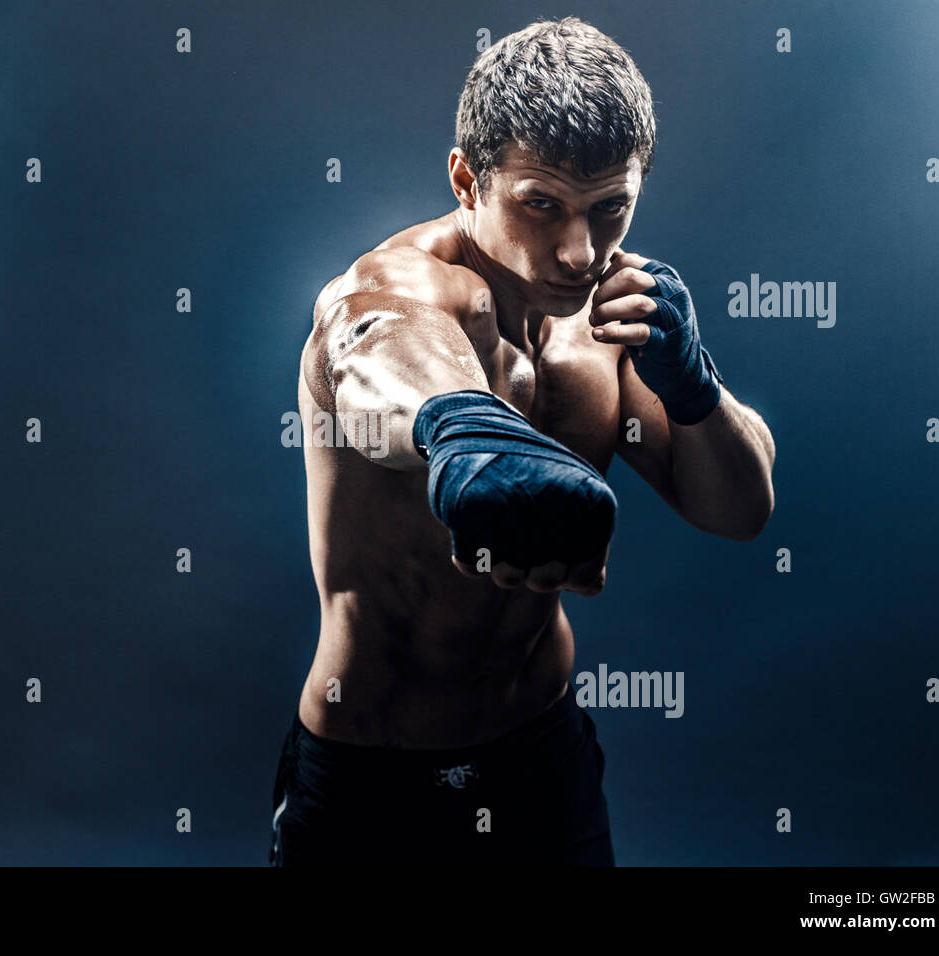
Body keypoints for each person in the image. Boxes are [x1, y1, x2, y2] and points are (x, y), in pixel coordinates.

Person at [270, 16, 776, 865]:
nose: (580, 252)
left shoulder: (613, 318)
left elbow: (740, 512)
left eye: (610, 208)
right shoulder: (398, 288)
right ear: (468, 179)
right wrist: (462, 428)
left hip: (540, 758)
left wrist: (695, 388)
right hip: (371, 774)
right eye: (541, 205)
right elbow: (373, 354)